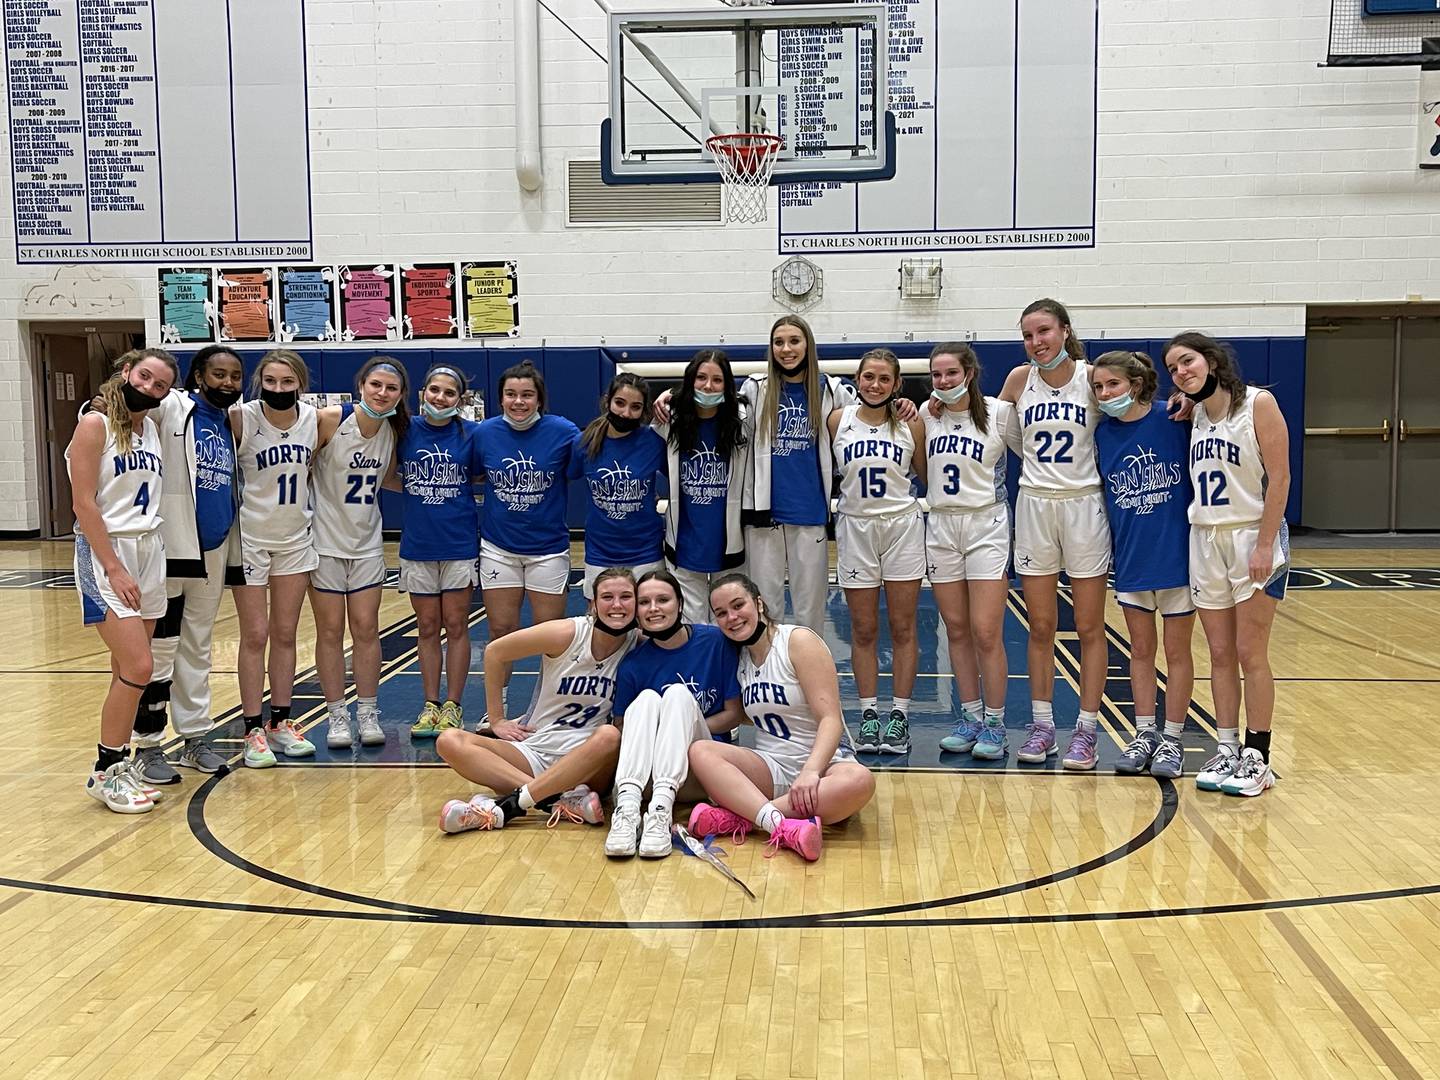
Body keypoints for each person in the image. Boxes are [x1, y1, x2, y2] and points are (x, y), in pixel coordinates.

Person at [1165, 332, 1290, 797]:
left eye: (1187, 361)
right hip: (1206, 538)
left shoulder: (1259, 403)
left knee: (1249, 652)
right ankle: (1227, 747)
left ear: (1212, 361)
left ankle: (1259, 755)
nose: (1181, 372)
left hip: (1253, 535)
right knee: (1218, 653)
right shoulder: (1194, 413)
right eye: (1173, 368)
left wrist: (1263, 545)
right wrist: (1183, 401)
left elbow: (1280, 479)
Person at [434, 567, 640, 832]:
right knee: (449, 740)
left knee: (610, 736)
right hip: (535, 751)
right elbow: (495, 652)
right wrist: (497, 719)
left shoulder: (638, 642)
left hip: (589, 761)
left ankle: (510, 802)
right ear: (593, 604)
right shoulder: (568, 633)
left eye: (626, 597)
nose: (617, 605)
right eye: (607, 597)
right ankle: (555, 800)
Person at [688, 574, 875, 861]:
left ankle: (745, 819)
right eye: (722, 613)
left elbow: (831, 719)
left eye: (739, 605)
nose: (732, 617)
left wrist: (811, 772)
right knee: (701, 750)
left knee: (860, 780)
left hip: (824, 767)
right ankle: (780, 824)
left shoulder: (796, 640)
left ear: (759, 603)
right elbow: (742, 715)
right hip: (772, 766)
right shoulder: (738, 660)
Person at [1000, 299, 1110, 770]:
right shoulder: (1018, 381)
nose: (1036, 342)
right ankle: (1043, 726)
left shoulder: (1093, 378)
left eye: (1043, 331)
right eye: (1027, 335)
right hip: (1035, 505)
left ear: (1064, 331)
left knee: (1088, 626)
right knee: (1040, 626)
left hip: (1085, 503)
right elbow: (1002, 433)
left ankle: (1086, 731)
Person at [126, 345, 243, 783]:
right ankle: (149, 744)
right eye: (218, 374)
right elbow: (126, 406)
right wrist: (103, 400)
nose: (227, 382)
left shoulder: (231, 422)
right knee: (161, 650)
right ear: (197, 376)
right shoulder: (173, 406)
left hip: (213, 552)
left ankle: (195, 737)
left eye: (234, 376)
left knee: (198, 648)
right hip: (173, 551)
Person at [68, 347, 178, 812]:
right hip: (107, 552)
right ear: (126, 373)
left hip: (150, 548)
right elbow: (83, 504)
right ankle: (104, 771)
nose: (150, 388)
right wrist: (113, 564)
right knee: (139, 667)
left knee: (126, 671)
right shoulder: (95, 425)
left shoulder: (149, 428)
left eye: (160, 386)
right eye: (145, 377)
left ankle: (119, 766)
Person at [1092, 350, 1194, 779]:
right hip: (1131, 557)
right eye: (1097, 388)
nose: (1104, 394)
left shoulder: (1175, 419)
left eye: (1111, 385)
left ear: (1134, 383)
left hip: (1176, 556)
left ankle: (1173, 738)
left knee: (1177, 651)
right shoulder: (1102, 435)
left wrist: (1192, 401)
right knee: (1140, 650)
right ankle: (1145, 732)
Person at [604, 570, 745, 859]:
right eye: (644, 602)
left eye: (663, 600)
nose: (654, 608)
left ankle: (661, 812)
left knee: (678, 695)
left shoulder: (716, 642)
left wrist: (676, 726)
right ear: (637, 612)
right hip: (646, 779)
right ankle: (628, 811)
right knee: (645, 699)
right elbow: (622, 726)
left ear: (680, 604)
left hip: (700, 771)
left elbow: (735, 714)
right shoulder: (633, 665)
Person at [827, 348, 927, 754]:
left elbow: (923, 472)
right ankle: (869, 716)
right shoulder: (838, 420)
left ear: (896, 384)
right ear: (857, 378)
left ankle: (899, 716)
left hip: (901, 527)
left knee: (903, 628)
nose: (875, 385)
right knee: (864, 629)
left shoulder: (911, 424)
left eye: (885, 379)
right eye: (869, 377)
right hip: (855, 527)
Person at [924, 343, 1016, 761]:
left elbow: (1033, 454)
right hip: (942, 524)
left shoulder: (999, 413)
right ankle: (971, 716)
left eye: (951, 374)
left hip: (987, 524)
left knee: (985, 630)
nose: (943, 382)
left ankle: (996, 723)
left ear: (970, 374)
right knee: (956, 629)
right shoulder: (925, 416)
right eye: (937, 375)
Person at [476, 360, 582, 724]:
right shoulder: (484, 433)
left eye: (526, 395)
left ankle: (544, 710)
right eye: (510, 394)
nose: (518, 402)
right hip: (498, 547)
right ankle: (497, 711)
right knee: (501, 630)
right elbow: (472, 472)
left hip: (548, 550)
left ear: (540, 399)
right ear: (500, 398)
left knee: (548, 637)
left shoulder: (563, 431)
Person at [311, 356, 407, 749]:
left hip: (368, 544)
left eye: (391, 388)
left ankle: (367, 712)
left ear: (401, 395)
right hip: (323, 544)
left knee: (366, 630)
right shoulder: (331, 420)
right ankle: (336, 715)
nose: (382, 394)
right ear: (361, 385)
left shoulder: (393, 433)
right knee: (330, 632)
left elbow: (389, 480)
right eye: (376, 386)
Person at [231, 349, 321, 768]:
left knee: (286, 634)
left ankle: (280, 723)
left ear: (300, 383)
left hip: (295, 538)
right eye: (271, 382)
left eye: (288, 382)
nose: (279, 389)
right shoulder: (242, 418)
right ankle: (251, 728)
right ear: (260, 382)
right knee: (255, 635)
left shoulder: (316, 420)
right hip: (251, 538)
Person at [389, 364, 483, 739]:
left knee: (457, 625)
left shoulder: (472, 435)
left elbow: (479, 474)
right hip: (417, 545)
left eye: (449, 393)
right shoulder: (403, 430)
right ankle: (430, 703)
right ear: (422, 393)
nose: (440, 398)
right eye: (434, 390)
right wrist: (412, 486)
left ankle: (453, 706)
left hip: (459, 544)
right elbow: (387, 474)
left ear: (459, 400)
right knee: (427, 627)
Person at [657, 349, 749, 620]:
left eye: (717, 380)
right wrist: (669, 395)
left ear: (727, 384)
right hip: (685, 545)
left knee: (730, 622)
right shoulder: (670, 419)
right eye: (701, 378)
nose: (708, 386)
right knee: (693, 626)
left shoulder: (743, 419)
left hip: (730, 544)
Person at [576, 373, 667, 599]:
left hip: (646, 551)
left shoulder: (654, 441)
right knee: (603, 625)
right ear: (607, 401)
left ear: (644, 410)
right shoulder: (583, 442)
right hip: (600, 553)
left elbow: (679, 479)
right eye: (620, 403)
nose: (626, 413)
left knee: (651, 623)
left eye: (635, 407)